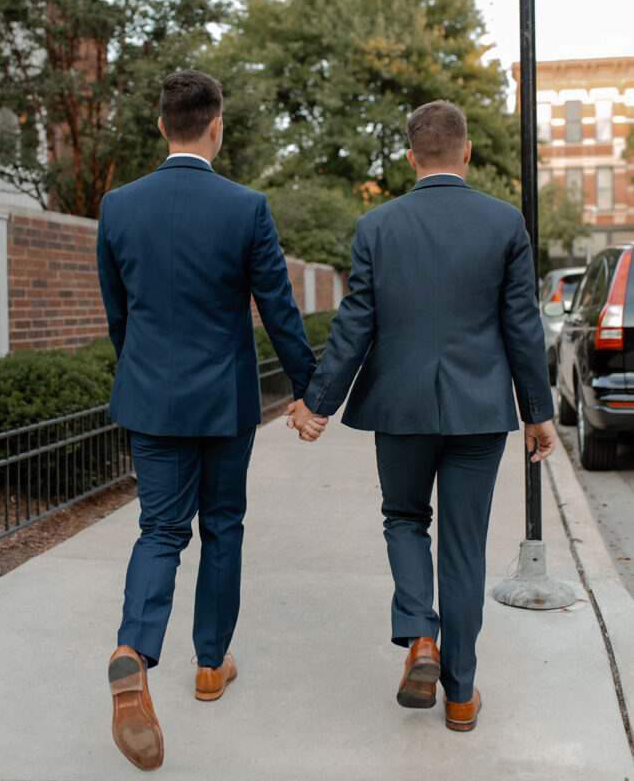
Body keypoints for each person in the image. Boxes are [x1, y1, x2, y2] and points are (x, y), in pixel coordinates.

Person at [287, 99, 557, 732]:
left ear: (412, 157)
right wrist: (537, 411)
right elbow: (522, 323)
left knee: (404, 518)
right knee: (464, 549)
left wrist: (316, 402)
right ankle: (461, 696)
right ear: (465, 151)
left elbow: (355, 324)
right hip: (479, 412)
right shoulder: (503, 223)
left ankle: (419, 637)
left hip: (401, 408)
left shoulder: (377, 225)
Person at [97, 70, 324, 771]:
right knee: (222, 527)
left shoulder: (118, 206)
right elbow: (278, 311)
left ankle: (133, 650)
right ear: (215, 126)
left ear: (162, 126)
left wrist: (140, 372)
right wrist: (311, 391)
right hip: (224, 402)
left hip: (152, 401)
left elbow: (118, 313)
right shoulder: (245, 207)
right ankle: (207, 665)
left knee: (160, 529)